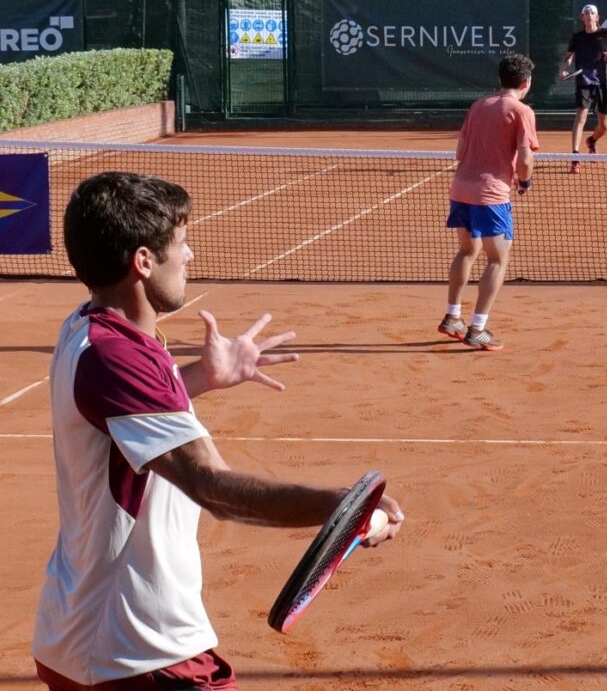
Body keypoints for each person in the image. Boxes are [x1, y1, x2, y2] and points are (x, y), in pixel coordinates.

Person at [32, 171, 405, 691]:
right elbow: (212, 487)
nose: (190, 257)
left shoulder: (90, 327)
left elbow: (117, 416)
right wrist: (343, 509)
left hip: (83, 637)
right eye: (181, 244)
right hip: (139, 651)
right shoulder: (121, 358)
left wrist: (199, 379)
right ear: (143, 261)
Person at [437, 53, 539, 352]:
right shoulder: (522, 111)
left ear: (500, 79)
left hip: (460, 190)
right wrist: (524, 181)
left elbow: (459, 151)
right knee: (498, 259)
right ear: (525, 82)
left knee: (468, 250)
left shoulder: (478, 106)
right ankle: (478, 328)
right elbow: (525, 157)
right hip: (491, 196)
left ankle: (452, 317)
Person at [560, 4, 607, 173]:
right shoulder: (577, 37)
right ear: (582, 18)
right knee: (580, 117)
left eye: (592, 13)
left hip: (603, 82)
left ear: (597, 17)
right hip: (584, 81)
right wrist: (563, 68)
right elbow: (568, 58)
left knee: (604, 126)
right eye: (586, 13)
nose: (589, 15)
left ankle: (591, 141)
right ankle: (575, 158)